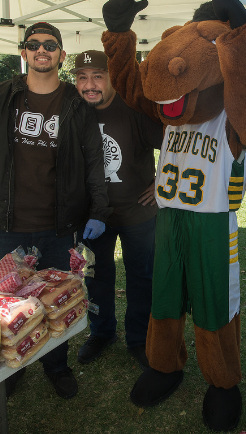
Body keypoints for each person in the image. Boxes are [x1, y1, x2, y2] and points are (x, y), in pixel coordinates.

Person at [0, 23, 111, 406]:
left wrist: (99, 208)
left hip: (58, 225)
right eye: (34, 44)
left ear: (61, 56)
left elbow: (94, 159)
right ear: (23, 52)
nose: (42, 50)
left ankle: (57, 366)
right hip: (7, 224)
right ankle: (11, 367)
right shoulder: (0, 95)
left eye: (50, 45)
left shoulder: (75, 103)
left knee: (56, 300)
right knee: (6, 305)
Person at [72, 50, 163, 369]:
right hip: (94, 216)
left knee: (142, 277)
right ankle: (101, 332)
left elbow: (175, 141)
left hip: (139, 213)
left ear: (112, 78)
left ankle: (139, 338)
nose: (90, 84)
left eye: (97, 76)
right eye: (82, 77)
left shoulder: (133, 108)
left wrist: (163, 180)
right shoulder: (74, 110)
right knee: (96, 276)